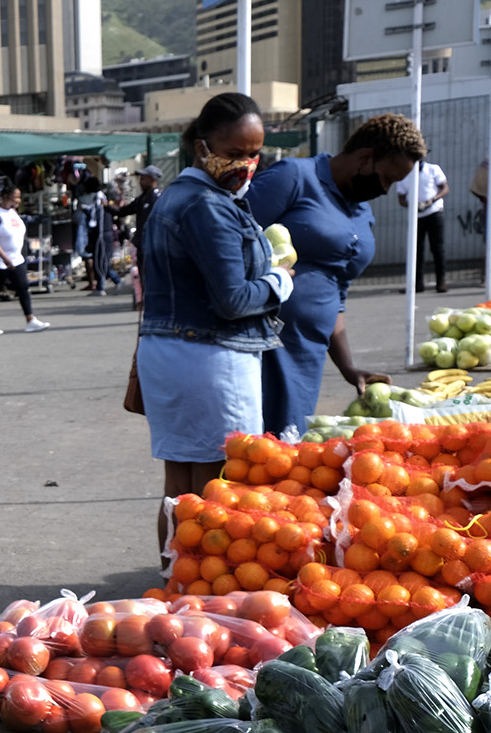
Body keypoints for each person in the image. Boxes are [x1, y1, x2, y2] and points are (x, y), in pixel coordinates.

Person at [137, 91, 292, 551]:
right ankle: (199, 580)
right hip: (209, 358)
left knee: (180, 485)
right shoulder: (206, 205)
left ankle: (175, 575)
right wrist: (279, 282)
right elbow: (233, 299)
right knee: (218, 485)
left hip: (171, 353)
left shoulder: (176, 197)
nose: (246, 164)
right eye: (235, 152)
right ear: (201, 146)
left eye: (254, 153)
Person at [247, 114, 422, 438]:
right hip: (266, 345)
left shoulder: (360, 209)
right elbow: (231, 240)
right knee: (256, 449)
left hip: (307, 354)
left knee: (288, 448)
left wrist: (347, 367)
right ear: (365, 158)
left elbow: (335, 292)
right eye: (387, 178)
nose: (386, 190)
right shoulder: (294, 177)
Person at [0, 187, 50, 335]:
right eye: (15, 197)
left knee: (23, 287)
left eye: (18, 197)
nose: (18, 200)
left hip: (16, 259)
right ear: (6, 196)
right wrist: (4, 257)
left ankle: (30, 320)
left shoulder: (13, 213)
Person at [393, 156, 450, 293]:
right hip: (416, 216)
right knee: (416, 250)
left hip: (434, 212)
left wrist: (432, 200)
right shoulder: (403, 174)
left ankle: (441, 282)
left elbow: (445, 188)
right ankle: (417, 284)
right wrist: (413, 205)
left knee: (437, 249)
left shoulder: (433, 169)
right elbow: (401, 198)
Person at [115, 166, 163, 312]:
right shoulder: (142, 199)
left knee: (154, 276)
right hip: (142, 244)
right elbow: (124, 211)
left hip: (155, 245)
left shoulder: (159, 198)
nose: (141, 182)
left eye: (144, 179)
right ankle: (144, 301)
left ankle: (156, 304)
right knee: (143, 275)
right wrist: (109, 206)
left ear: (152, 179)